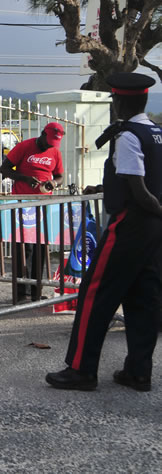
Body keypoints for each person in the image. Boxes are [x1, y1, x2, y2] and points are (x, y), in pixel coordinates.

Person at [46, 72, 162, 392]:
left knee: (95, 294)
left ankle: (81, 370)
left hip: (130, 224)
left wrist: (155, 208)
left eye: (114, 100)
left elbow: (139, 190)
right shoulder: (156, 132)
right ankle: (138, 372)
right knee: (144, 298)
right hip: (153, 231)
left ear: (119, 102)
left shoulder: (128, 136)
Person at [0, 123, 65, 300]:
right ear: (43, 134)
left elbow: (60, 176)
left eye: (54, 143)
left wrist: (53, 183)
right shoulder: (24, 146)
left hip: (43, 206)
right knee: (23, 248)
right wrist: (25, 179)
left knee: (40, 248)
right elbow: (4, 169)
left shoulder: (55, 152)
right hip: (22, 205)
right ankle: (21, 293)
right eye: (49, 141)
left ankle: (36, 293)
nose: (50, 146)